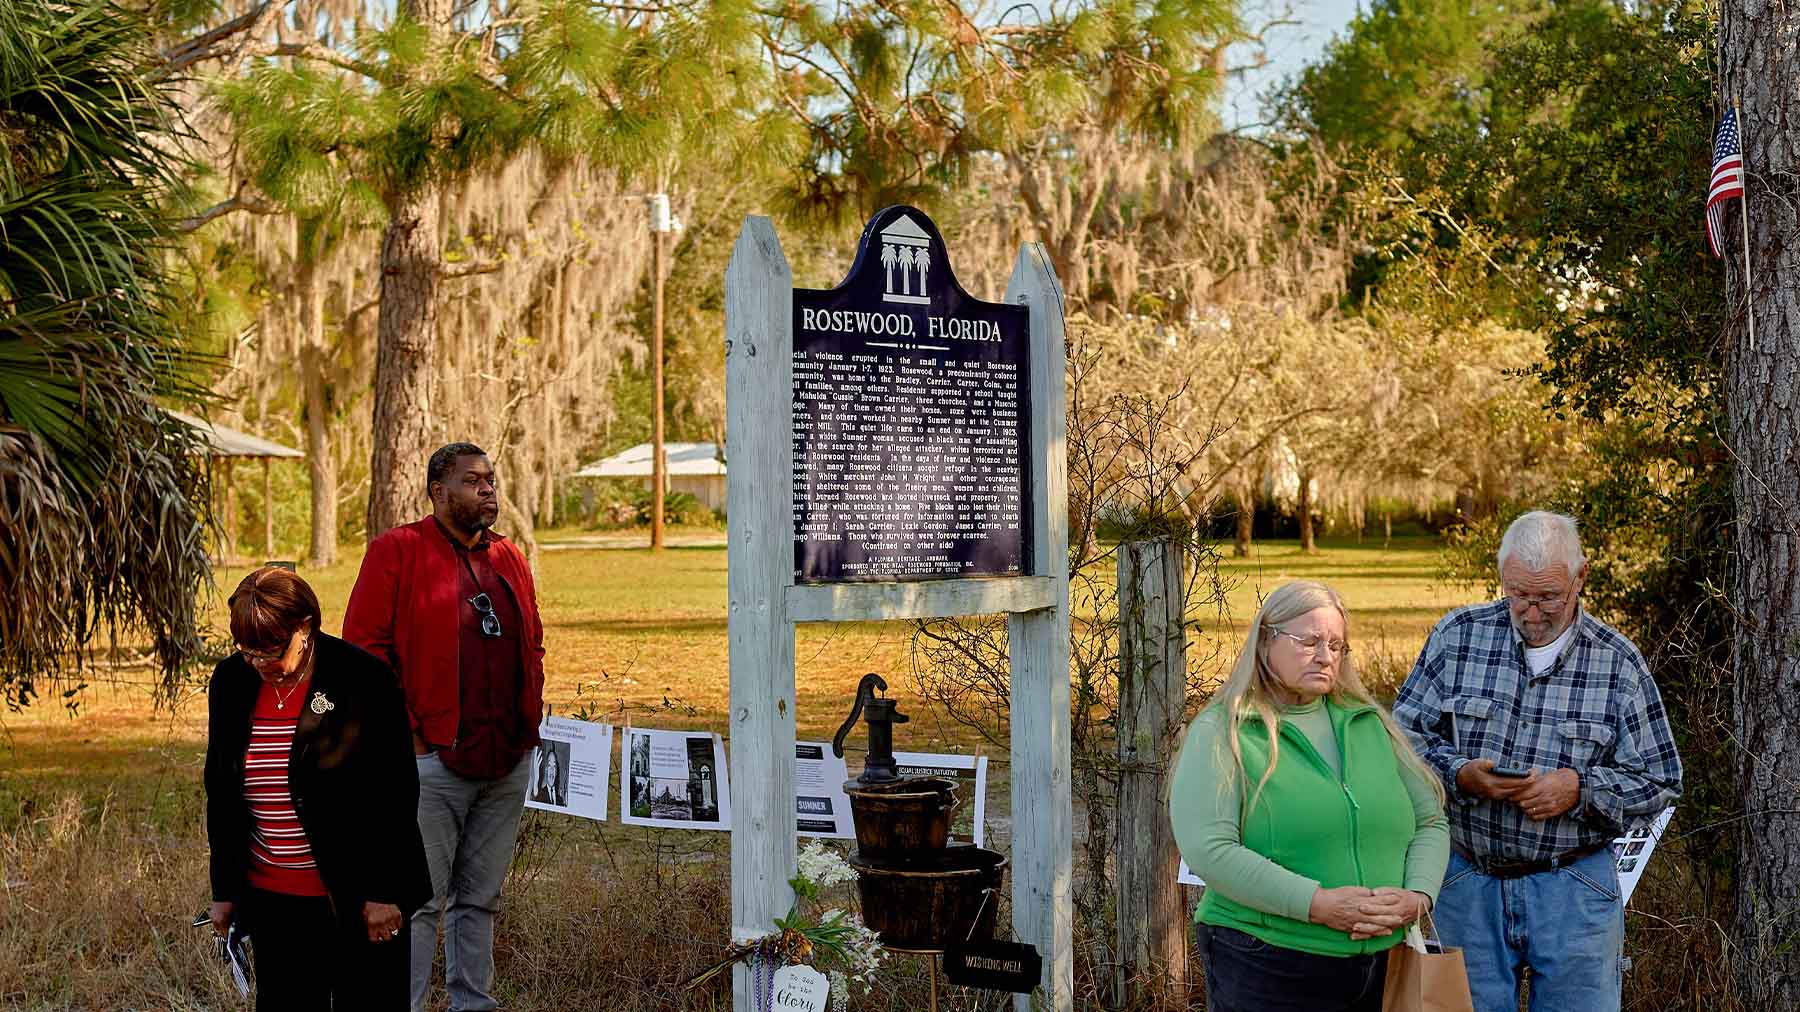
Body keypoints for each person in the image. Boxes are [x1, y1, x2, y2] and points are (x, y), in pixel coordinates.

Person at [1393, 510, 1682, 1012]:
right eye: (1517, 595)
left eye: (1548, 596)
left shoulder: (1618, 662)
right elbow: (1402, 741)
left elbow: (1659, 778)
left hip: (1573, 886)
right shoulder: (1458, 636)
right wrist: (1460, 775)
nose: (1530, 611)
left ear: (1581, 577)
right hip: (1466, 878)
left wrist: (1580, 790)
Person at [1169, 581, 1450, 1012]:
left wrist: (1418, 895)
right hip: (1266, 960)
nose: (1326, 656)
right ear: (1266, 640)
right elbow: (1209, 849)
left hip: (1382, 964)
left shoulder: (1368, 723)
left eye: (1337, 645)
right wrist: (1316, 905)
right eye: (1310, 641)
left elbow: (1430, 820)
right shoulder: (1223, 730)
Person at [344, 442, 547, 1012]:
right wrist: (408, 736)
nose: (487, 490)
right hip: (430, 760)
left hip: (505, 758)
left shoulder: (508, 556)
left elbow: (531, 643)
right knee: (420, 900)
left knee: (479, 900)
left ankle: (472, 1004)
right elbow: (364, 654)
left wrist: (527, 724)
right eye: (472, 481)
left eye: (491, 481)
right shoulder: (398, 551)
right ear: (438, 491)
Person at [204, 567, 431, 1011]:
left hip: (359, 899)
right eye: (246, 651)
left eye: (269, 651)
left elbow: (396, 795)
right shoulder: (232, 682)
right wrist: (225, 889)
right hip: (274, 900)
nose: (257, 663)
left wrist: (383, 892)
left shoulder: (362, 679)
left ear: (304, 627)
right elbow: (222, 789)